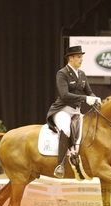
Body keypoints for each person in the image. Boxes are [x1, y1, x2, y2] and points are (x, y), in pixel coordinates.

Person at [46, 45, 101, 177]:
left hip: (76, 111)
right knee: (66, 129)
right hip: (62, 110)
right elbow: (64, 95)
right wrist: (85, 98)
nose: (81, 60)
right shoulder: (62, 73)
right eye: (79, 57)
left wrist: (95, 99)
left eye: (81, 57)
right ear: (71, 58)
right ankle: (60, 165)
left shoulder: (81, 74)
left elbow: (89, 92)